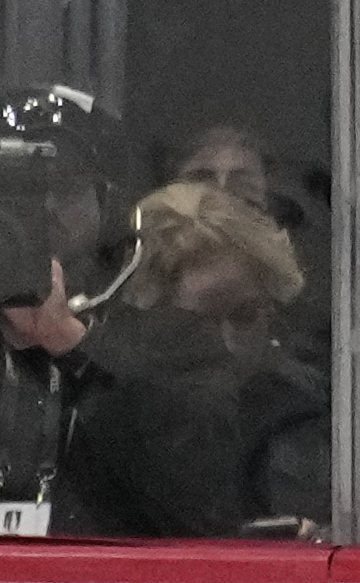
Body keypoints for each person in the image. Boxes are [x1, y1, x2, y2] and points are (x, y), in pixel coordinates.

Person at [55, 177, 327, 538]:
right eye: (193, 325)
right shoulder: (97, 420)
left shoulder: (311, 413)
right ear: (148, 317)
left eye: (246, 315)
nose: (227, 343)